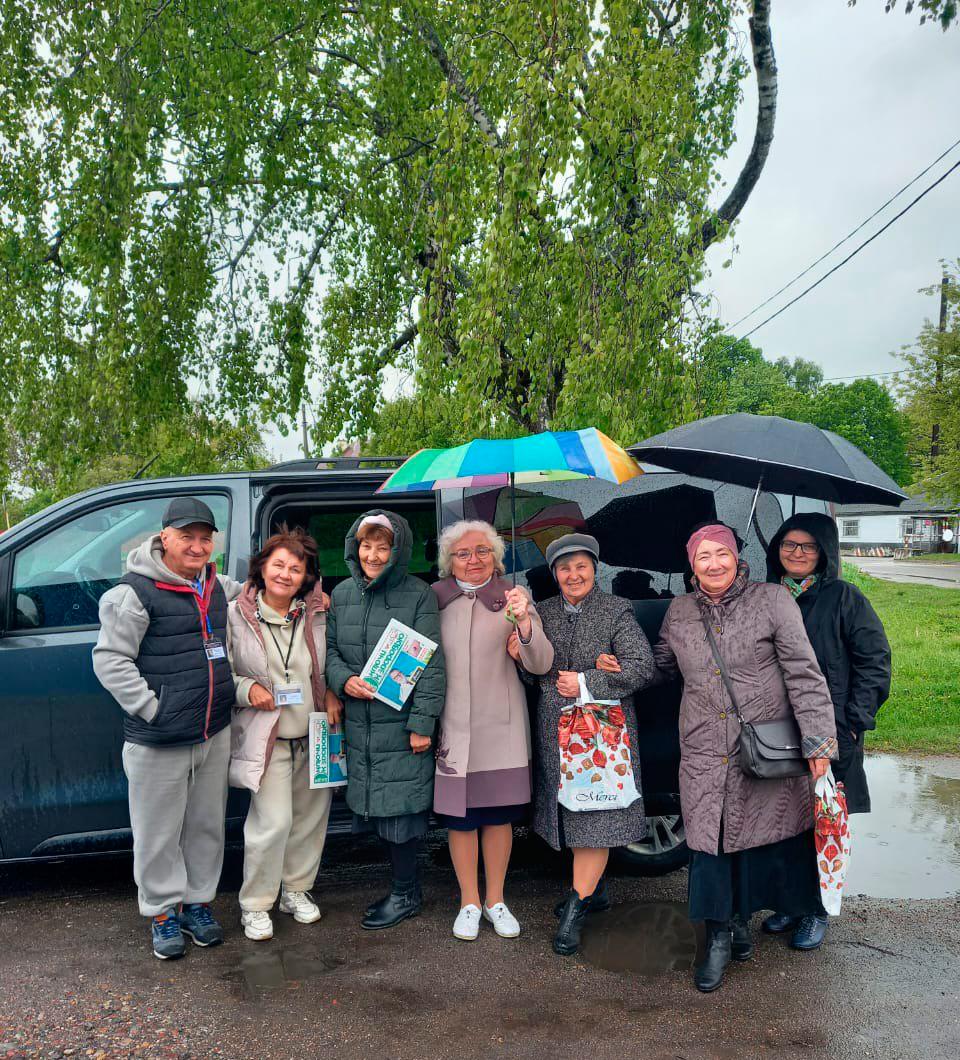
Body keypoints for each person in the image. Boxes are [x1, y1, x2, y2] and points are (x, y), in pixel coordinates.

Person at [651, 522, 837, 993]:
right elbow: (662, 666)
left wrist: (818, 743)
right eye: (703, 556)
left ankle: (739, 924)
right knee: (707, 845)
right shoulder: (680, 610)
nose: (714, 564)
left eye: (722, 553)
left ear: (737, 557)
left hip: (758, 746)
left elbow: (804, 672)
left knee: (750, 841)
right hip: (701, 748)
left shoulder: (772, 600)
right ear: (691, 564)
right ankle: (717, 937)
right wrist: (618, 665)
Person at [92, 498, 242, 960]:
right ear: (165, 538)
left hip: (212, 732)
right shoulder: (133, 593)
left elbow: (266, 591)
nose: (197, 546)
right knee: (157, 833)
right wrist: (153, 710)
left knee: (205, 827)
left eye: (205, 538)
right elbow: (110, 661)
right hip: (159, 738)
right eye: (186, 537)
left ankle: (197, 905)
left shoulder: (217, 585)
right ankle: (161, 911)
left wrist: (312, 595)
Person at [522, 533, 654, 957]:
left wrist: (586, 681)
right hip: (556, 733)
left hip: (601, 737)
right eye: (564, 568)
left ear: (595, 569)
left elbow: (642, 667)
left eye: (581, 566)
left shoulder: (616, 610)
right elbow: (532, 674)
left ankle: (576, 911)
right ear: (554, 573)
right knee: (575, 816)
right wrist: (520, 647)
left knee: (595, 818)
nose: (573, 575)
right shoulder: (541, 612)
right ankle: (593, 891)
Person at [764, 512, 891, 949]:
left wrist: (854, 721)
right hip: (776, 729)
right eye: (789, 544)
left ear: (824, 552)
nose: (797, 553)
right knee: (784, 819)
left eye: (808, 546)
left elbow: (875, 660)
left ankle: (816, 910)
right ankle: (789, 902)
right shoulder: (767, 596)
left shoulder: (843, 598)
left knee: (822, 821)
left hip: (831, 729)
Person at [432, 520, 554, 942]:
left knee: (498, 817)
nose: (473, 560)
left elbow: (541, 663)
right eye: (463, 553)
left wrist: (525, 628)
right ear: (449, 561)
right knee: (461, 819)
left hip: (501, 726)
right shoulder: (434, 599)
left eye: (483, 551)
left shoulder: (514, 597)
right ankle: (468, 901)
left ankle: (495, 900)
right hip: (452, 726)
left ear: (496, 558)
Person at [325, 510, 446, 929]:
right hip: (360, 724)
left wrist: (422, 725)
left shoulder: (418, 595)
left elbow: (431, 665)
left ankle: (405, 893)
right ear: (354, 547)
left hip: (400, 725)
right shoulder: (342, 594)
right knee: (379, 812)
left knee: (402, 815)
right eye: (366, 545)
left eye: (382, 547)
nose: (373, 555)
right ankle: (401, 889)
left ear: (398, 551)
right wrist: (344, 680)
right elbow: (330, 651)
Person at [227, 527, 341, 942]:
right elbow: (223, 672)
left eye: (296, 568)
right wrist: (247, 689)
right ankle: (256, 904)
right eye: (278, 565)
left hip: (314, 732)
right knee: (272, 823)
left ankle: (295, 890)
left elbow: (330, 661)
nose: (285, 574)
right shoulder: (235, 615)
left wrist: (331, 691)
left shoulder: (316, 613)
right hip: (268, 736)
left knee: (310, 820)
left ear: (306, 576)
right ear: (261, 567)